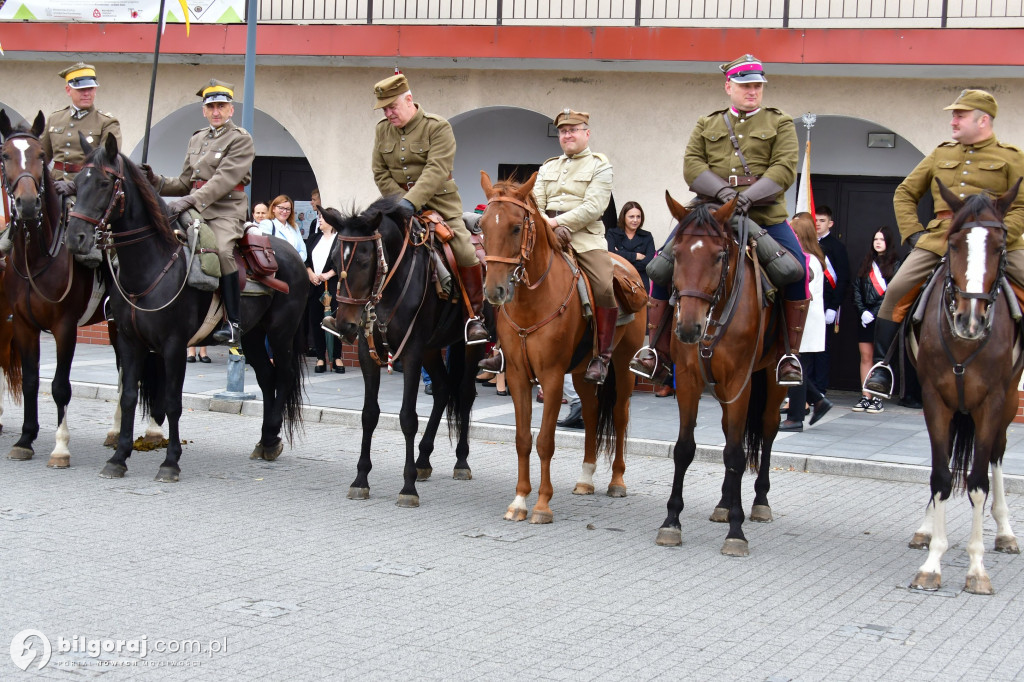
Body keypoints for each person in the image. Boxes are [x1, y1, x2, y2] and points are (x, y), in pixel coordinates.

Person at [864, 89, 1024, 398]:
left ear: (983, 120)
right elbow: (905, 193)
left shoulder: (1011, 157)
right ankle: (883, 367)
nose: (953, 121)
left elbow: (1021, 206)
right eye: (954, 115)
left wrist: (1000, 236)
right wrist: (914, 235)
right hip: (941, 239)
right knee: (895, 292)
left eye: (960, 115)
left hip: (995, 241)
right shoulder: (940, 153)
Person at [683, 54, 808, 385]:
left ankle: (788, 356)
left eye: (757, 85)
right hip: (711, 215)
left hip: (766, 216)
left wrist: (747, 199)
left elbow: (783, 169)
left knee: (797, 272)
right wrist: (725, 195)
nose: (752, 91)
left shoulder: (780, 123)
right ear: (729, 86)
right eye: (745, 85)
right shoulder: (707, 123)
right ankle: (656, 351)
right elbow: (692, 167)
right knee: (664, 264)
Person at [362, 72, 488, 346]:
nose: (388, 113)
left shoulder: (437, 127)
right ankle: (358, 312)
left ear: (409, 99)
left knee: (466, 251)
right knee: (369, 244)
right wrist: (399, 203)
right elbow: (379, 172)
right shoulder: (382, 130)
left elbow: (436, 169)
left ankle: (475, 317)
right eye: (384, 108)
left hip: (441, 206)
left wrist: (411, 202)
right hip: (397, 206)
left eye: (392, 106)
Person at [146, 79, 255, 346]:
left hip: (225, 210)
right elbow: (185, 181)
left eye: (221, 106)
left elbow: (224, 180)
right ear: (204, 111)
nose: (216, 111)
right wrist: (155, 180)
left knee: (221, 250)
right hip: (194, 207)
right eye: (211, 107)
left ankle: (233, 322)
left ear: (231, 109)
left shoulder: (240, 139)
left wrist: (189, 200)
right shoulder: (197, 138)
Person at [536, 108, 617, 387]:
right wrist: (544, 223)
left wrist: (555, 221)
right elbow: (535, 202)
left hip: (584, 238)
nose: (567, 134)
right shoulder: (547, 167)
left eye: (573, 129)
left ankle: (602, 355)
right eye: (563, 131)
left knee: (605, 285)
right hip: (544, 234)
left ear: (587, 133)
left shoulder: (600, 166)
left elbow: (594, 207)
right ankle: (501, 348)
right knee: (509, 273)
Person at [779, 214, 832, 431]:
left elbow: (800, 291)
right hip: (808, 319)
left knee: (795, 368)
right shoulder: (812, 257)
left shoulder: (806, 259)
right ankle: (819, 401)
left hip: (804, 320)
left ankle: (796, 418)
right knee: (796, 367)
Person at [42, 62, 121, 192]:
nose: (86, 93)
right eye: (81, 89)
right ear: (68, 90)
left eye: (90, 89)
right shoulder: (54, 119)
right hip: (54, 187)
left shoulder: (107, 122)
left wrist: (73, 186)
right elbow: (41, 158)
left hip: (88, 191)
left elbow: (108, 163)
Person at [853, 227, 900, 414]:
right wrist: (862, 310)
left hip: (883, 317)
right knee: (866, 357)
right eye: (875, 239)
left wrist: (874, 311)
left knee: (881, 359)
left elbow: (893, 292)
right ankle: (866, 396)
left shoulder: (896, 264)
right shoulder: (866, 262)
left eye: (881, 239)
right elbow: (857, 288)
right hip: (865, 318)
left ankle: (877, 397)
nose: (878, 242)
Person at [810, 205, 850, 395]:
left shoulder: (836, 247)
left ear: (830, 223)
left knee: (822, 349)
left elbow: (842, 278)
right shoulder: (807, 244)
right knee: (806, 347)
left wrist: (834, 306)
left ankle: (819, 388)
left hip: (826, 304)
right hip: (809, 302)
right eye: (815, 220)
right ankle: (805, 389)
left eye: (822, 220)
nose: (817, 224)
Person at [305, 209, 344, 374]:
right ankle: (320, 357)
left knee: (334, 321)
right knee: (316, 321)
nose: (319, 220)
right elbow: (305, 260)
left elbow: (344, 260)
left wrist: (329, 274)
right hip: (314, 285)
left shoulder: (341, 239)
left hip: (333, 285)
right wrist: (311, 274)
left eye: (322, 217)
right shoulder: (314, 238)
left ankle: (336, 357)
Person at [606, 201, 656, 294]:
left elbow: (649, 262)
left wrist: (620, 255)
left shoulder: (647, 236)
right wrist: (635, 256)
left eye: (638, 216)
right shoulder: (612, 234)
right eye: (631, 216)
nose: (635, 220)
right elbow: (610, 255)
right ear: (623, 217)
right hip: (618, 280)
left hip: (640, 281)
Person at [259, 195, 308, 262]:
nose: (284, 211)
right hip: (277, 268)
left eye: (288, 209)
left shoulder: (294, 226)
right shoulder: (267, 224)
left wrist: (296, 261)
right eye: (281, 208)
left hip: (295, 267)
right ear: (273, 209)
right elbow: (265, 248)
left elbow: (303, 249)